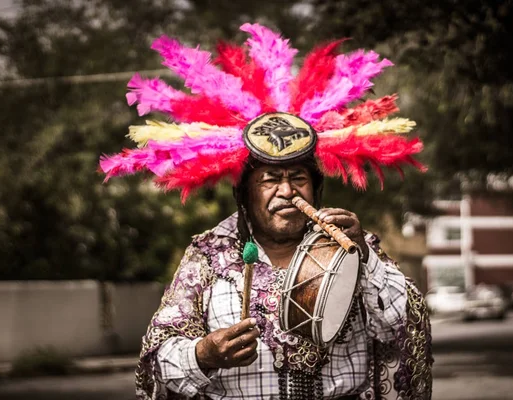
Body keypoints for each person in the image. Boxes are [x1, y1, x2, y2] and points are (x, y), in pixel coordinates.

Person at [100, 23, 432, 399]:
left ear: (316, 188)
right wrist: (203, 354)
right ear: (244, 195)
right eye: (270, 179)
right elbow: (157, 360)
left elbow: (404, 325)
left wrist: (365, 256)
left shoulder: (352, 245)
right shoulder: (208, 255)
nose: (287, 191)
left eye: (298, 178)